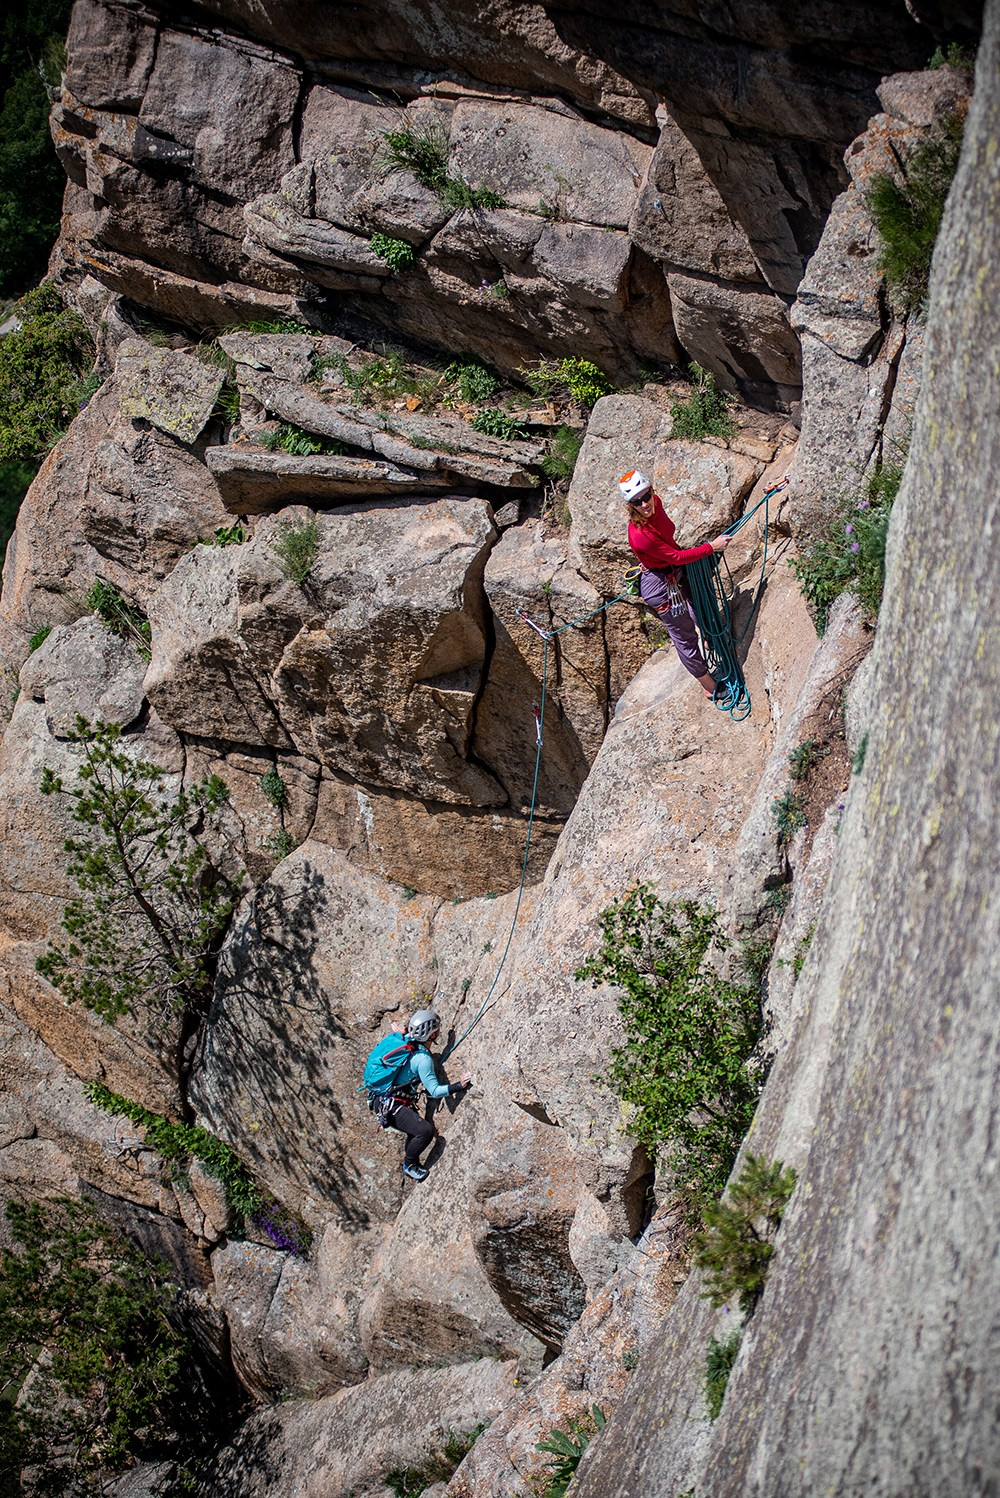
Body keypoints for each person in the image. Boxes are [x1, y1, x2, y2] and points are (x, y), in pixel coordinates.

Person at [621, 469, 731, 700]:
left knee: (698, 602)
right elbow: (676, 557)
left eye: (646, 496)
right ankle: (710, 687)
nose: (644, 504)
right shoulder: (641, 534)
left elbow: (670, 541)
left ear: (652, 492)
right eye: (637, 502)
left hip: (672, 570)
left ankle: (712, 640)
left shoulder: (656, 505)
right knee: (685, 636)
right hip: (660, 587)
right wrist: (712, 547)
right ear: (631, 505)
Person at [373, 1010, 472, 1182]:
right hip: (392, 1104)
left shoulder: (404, 1041)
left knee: (415, 1129)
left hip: (382, 1098)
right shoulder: (423, 1060)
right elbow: (434, 1091)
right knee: (424, 1131)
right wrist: (458, 1086)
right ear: (432, 1034)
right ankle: (409, 1165)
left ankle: (412, 1162)